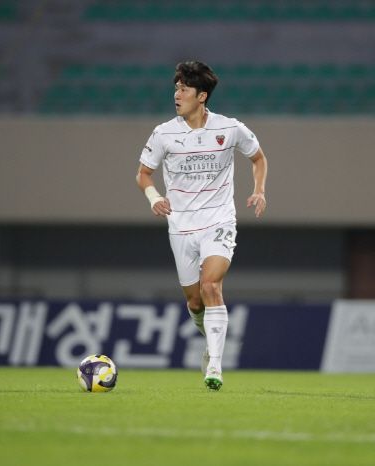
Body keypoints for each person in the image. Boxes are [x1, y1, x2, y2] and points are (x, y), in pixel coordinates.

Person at [135, 61, 268, 390]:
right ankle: (210, 337)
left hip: (218, 220)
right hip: (181, 226)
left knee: (211, 287)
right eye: (176, 88)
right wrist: (154, 197)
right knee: (195, 302)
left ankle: (216, 366)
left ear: (202, 96)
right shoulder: (163, 133)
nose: (177, 95)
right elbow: (143, 174)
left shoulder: (230, 128)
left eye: (184, 89)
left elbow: (258, 157)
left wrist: (259, 190)